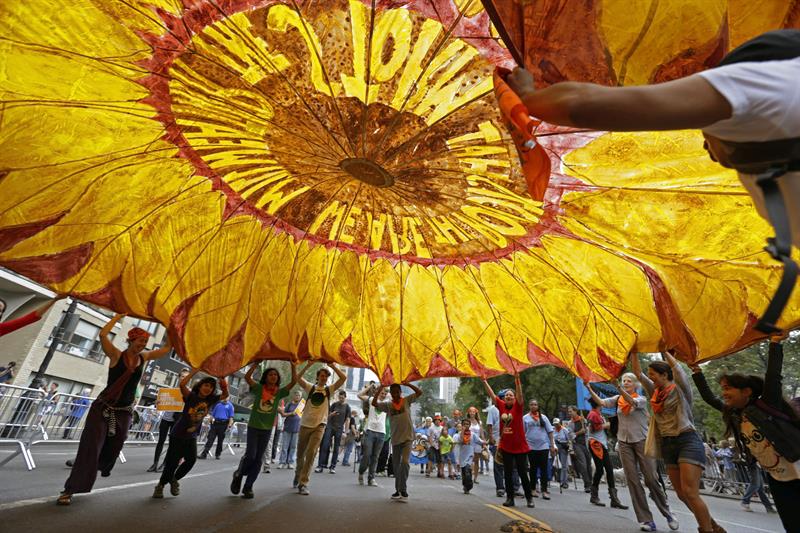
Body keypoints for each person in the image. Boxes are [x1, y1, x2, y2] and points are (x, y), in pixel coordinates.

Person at [57, 315, 171, 505]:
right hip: (103, 408)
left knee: (118, 441)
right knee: (91, 446)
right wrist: (120, 315)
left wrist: (170, 327)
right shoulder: (116, 355)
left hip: (124, 410)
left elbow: (167, 348)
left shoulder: (144, 358)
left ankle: (98, 465)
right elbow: (102, 335)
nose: (144, 344)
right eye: (141, 340)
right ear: (132, 339)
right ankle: (69, 490)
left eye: (145, 342)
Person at [689, 345, 796, 530]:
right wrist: (696, 371)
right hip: (777, 478)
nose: (723, 393)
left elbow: (773, 376)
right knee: (792, 524)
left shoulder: (767, 404)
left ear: (746, 391)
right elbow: (709, 398)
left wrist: (775, 343)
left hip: (797, 469)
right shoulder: (735, 415)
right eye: (722, 388)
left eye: (728, 388)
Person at [633, 352, 724, 533]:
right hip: (667, 445)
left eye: (653, 374)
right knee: (682, 495)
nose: (650, 377)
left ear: (664, 375)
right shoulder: (654, 393)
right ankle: (712, 524)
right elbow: (638, 375)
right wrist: (634, 351)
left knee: (690, 492)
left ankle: (705, 529)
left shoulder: (679, 388)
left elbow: (678, 370)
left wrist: (664, 350)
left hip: (687, 440)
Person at [586, 375, 678, 532]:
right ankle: (646, 520)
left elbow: (632, 402)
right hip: (624, 442)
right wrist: (588, 387)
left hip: (641, 441)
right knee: (633, 482)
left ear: (635, 385)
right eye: (623, 381)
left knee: (650, 479)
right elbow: (601, 402)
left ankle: (667, 512)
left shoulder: (641, 399)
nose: (625, 383)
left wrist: (619, 388)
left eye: (629, 381)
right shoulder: (617, 399)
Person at [232, 362, 304, 499]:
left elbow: (294, 381)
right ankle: (239, 475)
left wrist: (293, 365)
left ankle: (248, 486)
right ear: (266, 377)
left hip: (267, 429)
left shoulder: (279, 392)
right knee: (251, 456)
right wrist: (256, 363)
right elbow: (247, 378)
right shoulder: (259, 388)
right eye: (270, 374)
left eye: (275, 375)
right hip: (254, 427)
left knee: (259, 459)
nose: (273, 376)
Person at [153, 369, 228, 498]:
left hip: (191, 436)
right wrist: (194, 371)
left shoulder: (210, 400)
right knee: (172, 462)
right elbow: (182, 385)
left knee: (191, 460)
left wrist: (222, 382)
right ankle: (160, 486)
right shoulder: (191, 396)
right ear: (200, 386)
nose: (208, 388)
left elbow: (225, 394)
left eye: (211, 387)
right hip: (178, 434)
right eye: (205, 385)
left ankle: (174, 479)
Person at [482, 374, 534, 508]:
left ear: (514, 397)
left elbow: (520, 395)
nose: (509, 397)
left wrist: (517, 380)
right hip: (506, 447)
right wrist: (484, 380)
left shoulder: (518, 406)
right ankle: (510, 498)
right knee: (508, 474)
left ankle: (529, 498)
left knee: (523, 474)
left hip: (520, 447)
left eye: (511, 395)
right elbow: (492, 395)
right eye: (506, 396)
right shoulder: (501, 406)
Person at [294, 363, 346, 495]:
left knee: (311, 453)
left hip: (320, 425)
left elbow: (343, 378)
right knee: (301, 454)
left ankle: (303, 482)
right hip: (305, 424)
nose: (323, 378)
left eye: (325, 376)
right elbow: (297, 377)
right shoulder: (310, 388)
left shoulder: (329, 390)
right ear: (317, 377)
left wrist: (332, 366)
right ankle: (298, 473)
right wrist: (307, 366)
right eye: (321, 376)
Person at [372, 382, 423, 501]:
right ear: (391, 393)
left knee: (404, 463)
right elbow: (374, 403)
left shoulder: (406, 400)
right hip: (395, 439)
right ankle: (397, 490)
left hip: (408, 438)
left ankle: (403, 489)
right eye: (393, 392)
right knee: (396, 466)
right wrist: (380, 388)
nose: (395, 394)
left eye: (397, 392)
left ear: (400, 392)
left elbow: (419, 392)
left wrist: (408, 384)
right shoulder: (388, 405)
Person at [584, 396, 627, 509]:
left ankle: (614, 499)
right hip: (595, 444)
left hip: (602, 444)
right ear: (598, 403)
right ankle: (594, 495)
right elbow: (593, 429)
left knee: (608, 469)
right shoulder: (593, 414)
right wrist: (607, 425)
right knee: (599, 469)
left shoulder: (598, 414)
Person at [147, 368, 190, 472]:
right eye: (182, 376)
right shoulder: (171, 390)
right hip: (166, 418)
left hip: (177, 420)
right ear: (179, 377)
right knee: (160, 441)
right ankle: (155, 463)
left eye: (186, 377)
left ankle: (165, 464)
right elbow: (163, 402)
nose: (183, 378)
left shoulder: (189, 392)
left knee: (172, 443)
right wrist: (158, 402)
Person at [522, 399, 555, 500]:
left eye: (535, 404)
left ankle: (544, 491)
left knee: (544, 469)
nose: (533, 406)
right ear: (529, 406)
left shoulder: (543, 417)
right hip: (531, 446)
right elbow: (523, 433)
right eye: (531, 404)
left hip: (543, 446)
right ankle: (533, 489)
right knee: (533, 469)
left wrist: (552, 445)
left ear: (538, 406)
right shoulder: (525, 418)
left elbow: (550, 431)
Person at [357, 383, 387, 486]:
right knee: (367, 455)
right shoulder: (371, 400)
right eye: (381, 393)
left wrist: (386, 384)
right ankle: (361, 472)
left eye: (384, 393)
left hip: (381, 433)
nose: (383, 395)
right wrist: (370, 387)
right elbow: (359, 395)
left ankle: (371, 478)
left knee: (375, 457)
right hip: (370, 431)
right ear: (377, 393)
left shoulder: (387, 403)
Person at [316, 389, 351, 474]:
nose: (341, 399)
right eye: (339, 397)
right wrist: (332, 414)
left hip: (339, 429)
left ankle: (332, 466)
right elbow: (327, 416)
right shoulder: (334, 404)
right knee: (325, 445)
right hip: (330, 426)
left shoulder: (347, 407)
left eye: (342, 397)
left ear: (345, 397)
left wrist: (345, 432)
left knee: (336, 447)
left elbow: (348, 419)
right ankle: (320, 465)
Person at [454, 417, 484, 494]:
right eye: (464, 424)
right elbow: (461, 440)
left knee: (468, 470)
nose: (466, 425)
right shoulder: (458, 435)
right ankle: (465, 486)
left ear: (470, 425)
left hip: (470, 455)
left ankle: (469, 485)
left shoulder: (473, 434)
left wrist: (485, 444)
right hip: (462, 456)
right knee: (464, 471)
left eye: (467, 424)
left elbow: (479, 441)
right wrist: (463, 431)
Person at [567, 405, 593, 493]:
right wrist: (578, 433)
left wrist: (585, 427)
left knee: (589, 465)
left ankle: (591, 483)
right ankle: (587, 485)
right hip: (577, 444)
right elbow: (570, 435)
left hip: (586, 444)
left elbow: (587, 431)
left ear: (575, 411)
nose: (569, 413)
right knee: (583, 464)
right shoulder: (570, 423)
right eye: (569, 411)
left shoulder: (583, 420)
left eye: (571, 411)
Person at [200, 394, 234, 459]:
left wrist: (229, 426)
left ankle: (218, 454)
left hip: (223, 425)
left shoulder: (230, 406)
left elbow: (231, 417)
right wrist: (208, 422)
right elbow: (213, 415)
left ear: (229, 398)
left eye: (227, 397)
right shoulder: (218, 405)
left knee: (220, 441)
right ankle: (204, 454)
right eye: (224, 397)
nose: (225, 398)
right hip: (215, 424)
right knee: (210, 439)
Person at [278, 390, 303, 469]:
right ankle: (282, 462)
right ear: (294, 396)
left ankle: (290, 462)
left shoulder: (301, 406)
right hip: (287, 428)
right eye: (296, 395)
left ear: (300, 397)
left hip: (296, 429)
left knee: (293, 447)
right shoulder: (289, 404)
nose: (297, 397)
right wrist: (290, 413)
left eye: (299, 395)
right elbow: (283, 414)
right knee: (284, 446)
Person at [552, 418, 570, 490]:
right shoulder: (553, 430)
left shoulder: (564, 430)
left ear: (560, 423)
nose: (556, 425)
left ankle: (564, 482)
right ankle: (558, 478)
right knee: (556, 464)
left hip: (563, 447)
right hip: (555, 447)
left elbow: (569, 439)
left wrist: (569, 448)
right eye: (555, 424)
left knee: (563, 465)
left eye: (557, 423)